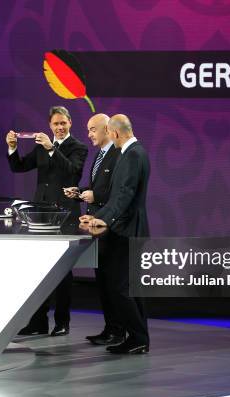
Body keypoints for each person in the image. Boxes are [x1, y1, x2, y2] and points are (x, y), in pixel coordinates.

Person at [6, 105, 88, 336]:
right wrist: (12, 148)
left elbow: (73, 172)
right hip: (41, 215)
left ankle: (63, 322)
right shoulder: (41, 147)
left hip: (65, 215)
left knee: (63, 271)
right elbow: (19, 167)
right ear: (50, 125)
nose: (60, 127)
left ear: (70, 122)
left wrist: (53, 149)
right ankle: (38, 322)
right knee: (39, 269)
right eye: (56, 124)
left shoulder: (78, 147)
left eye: (63, 123)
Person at [80, 114, 150, 354]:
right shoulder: (132, 152)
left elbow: (124, 194)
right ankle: (139, 338)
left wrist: (103, 218)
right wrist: (97, 217)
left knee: (121, 288)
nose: (109, 137)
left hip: (128, 229)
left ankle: (138, 338)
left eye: (109, 133)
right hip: (125, 227)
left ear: (116, 133)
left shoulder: (132, 154)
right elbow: (117, 195)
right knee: (127, 288)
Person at [64, 113, 124, 345]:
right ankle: (110, 328)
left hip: (111, 226)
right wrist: (79, 192)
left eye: (92, 129)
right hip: (96, 226)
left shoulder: (119, 155)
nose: (88, 134)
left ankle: (118, 330)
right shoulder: (100, 155)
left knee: (112, 282)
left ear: (107, 129)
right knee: (103, 281)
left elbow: (119, 192)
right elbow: (97, 188)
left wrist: (95, 195)